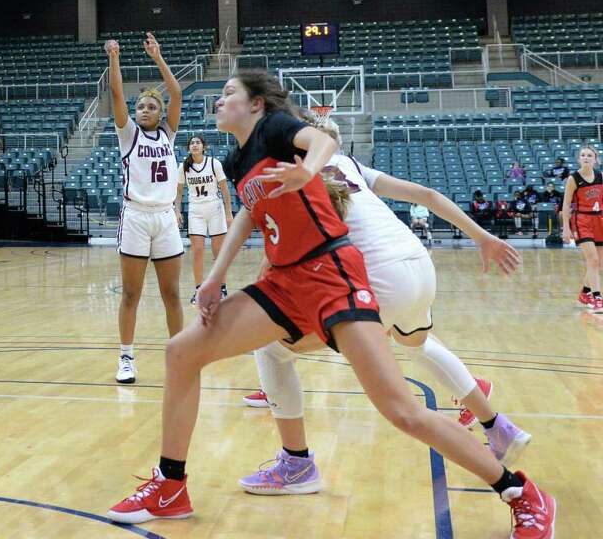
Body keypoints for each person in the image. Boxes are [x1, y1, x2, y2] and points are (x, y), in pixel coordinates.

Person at [104, 71, 555, 536]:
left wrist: (307, 168)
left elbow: (318, 138)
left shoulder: (276, 129)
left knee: (402, 411)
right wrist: (215, 278)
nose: (218, 102)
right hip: (283, 283)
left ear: (256, 104)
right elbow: (246, 214)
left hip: (331, 275)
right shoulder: (238, 159)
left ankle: (520, 490)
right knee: (182, 351)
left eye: (228, 94)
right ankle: (171, 485)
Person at [236, 114, 531, 498]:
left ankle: (297, 464)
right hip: (418, 265)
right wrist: (483, 237)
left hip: (380, 276)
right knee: (417, 343)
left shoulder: (290, 175)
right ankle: (497, 426)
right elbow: (428, 196)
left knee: (272, 344)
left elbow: (277, 257)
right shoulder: (351, 165)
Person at [103, 33, 184, 385]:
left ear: (161, 112)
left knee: (172, 294)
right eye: (141, 108)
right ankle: (126, 357)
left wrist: (158, 57)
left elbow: (177, 93)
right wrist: (115, 58)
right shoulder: (128, 134)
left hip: (165, 218)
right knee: (132, 294)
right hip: (136, 216)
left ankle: (180, 354)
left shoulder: (168, 133)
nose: (144, 110)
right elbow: (118, 94)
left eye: (151, 107)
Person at [175, 135, 233, 300]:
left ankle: (222, 288)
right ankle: (199, 289)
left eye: (197, 142)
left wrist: (228, 213)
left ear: (204, 147)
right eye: (191, 143)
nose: (194, 145)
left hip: (215, 209)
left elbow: (225, 190)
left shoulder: (214, 163)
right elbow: (178, 192)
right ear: (188, 148)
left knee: (218, 252)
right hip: (196, 211)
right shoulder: (183, 167)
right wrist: (177, 211)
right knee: (198, 252)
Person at [561, 145, 603, 311]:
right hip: (582, 220)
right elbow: (565, 204)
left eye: (589, 155)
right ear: (579, 159)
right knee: (592, 260)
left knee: (598, 264)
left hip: (599, 219)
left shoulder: (601, 176)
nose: (586, 158)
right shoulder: (573, 178)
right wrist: (566, 227)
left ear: (595, 159)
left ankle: (584, 293)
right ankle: (597, 298)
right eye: (583, 155)